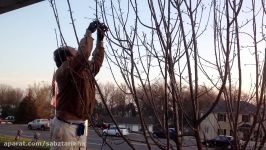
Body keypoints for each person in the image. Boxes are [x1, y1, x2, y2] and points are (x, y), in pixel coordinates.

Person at [50, 20, 108, 150]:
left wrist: (100, 41)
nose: (77, 50)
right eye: (74, 50)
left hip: (80, 126)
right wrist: (88, 34)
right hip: (65, 128)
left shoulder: (83, 70)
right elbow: (83, 56)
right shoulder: (64, 71)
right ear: (68, 58)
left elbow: (96, 63)